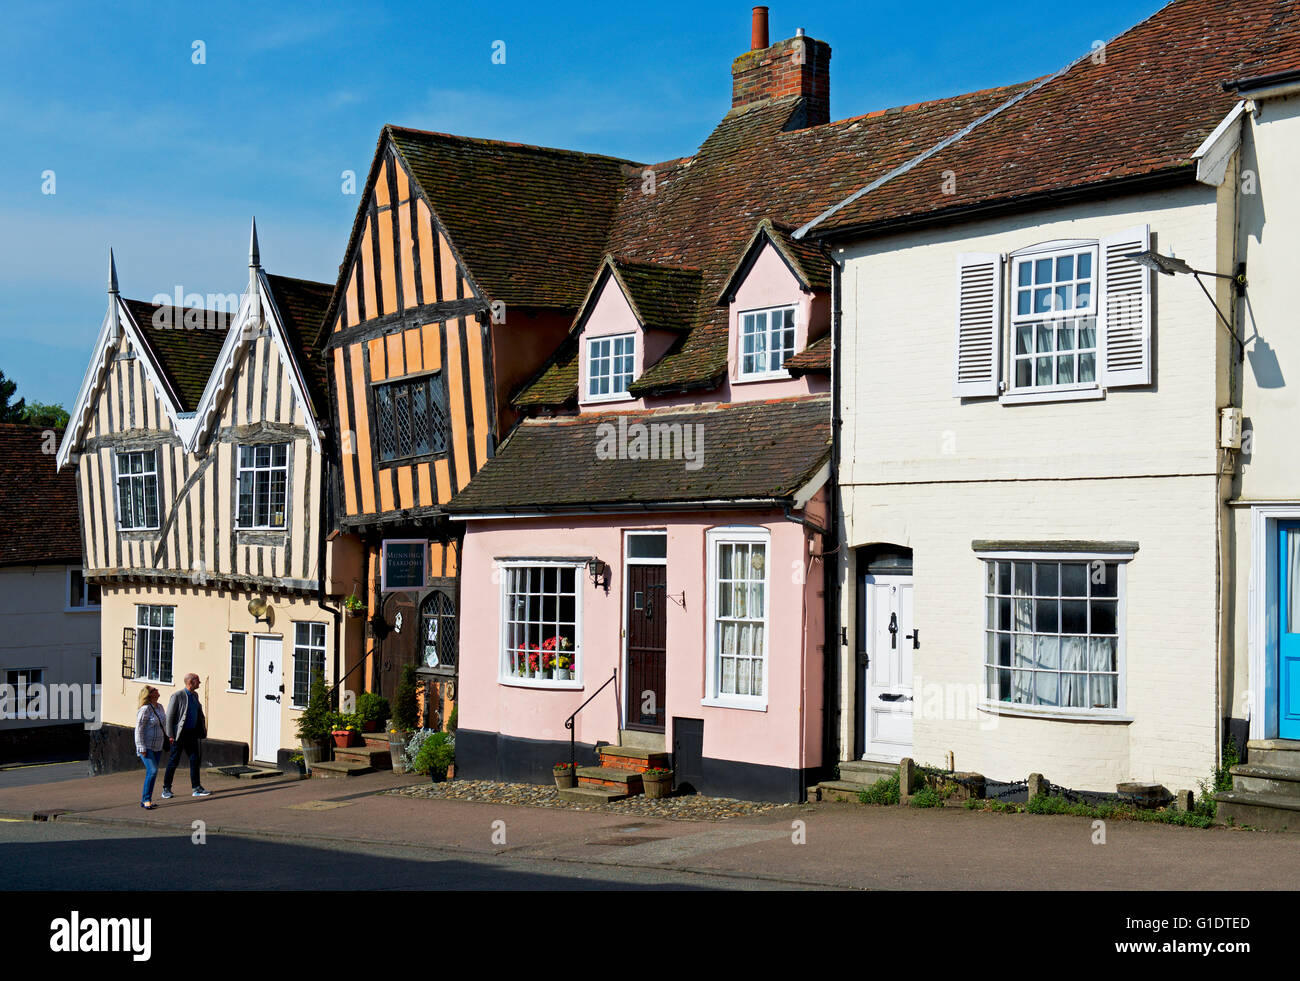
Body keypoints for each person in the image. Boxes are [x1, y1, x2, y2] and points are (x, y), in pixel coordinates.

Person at [161, 673, 211, 798]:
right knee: (174, 760)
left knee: (194, 759)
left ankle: (196, 787)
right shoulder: (178, 696)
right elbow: (170, 716)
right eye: (197, 681)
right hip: (179, 734)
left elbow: (198, 713)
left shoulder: (195, 695)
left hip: (192, 733)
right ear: (191, 682)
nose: (199, 683)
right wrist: (170, 735)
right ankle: (166, 789)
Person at [134, 686, 167, 809]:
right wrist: (141, 747)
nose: (158, 691)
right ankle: (146, 799)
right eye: (155, 690)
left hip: (158, 746)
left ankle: (146, 799)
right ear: (149, 694)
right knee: (153, 771)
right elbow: (139, 729)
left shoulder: (160, 707)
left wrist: (168, 736)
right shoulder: (145, 709)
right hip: (146, 746)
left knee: (152, 772)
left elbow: (163, 724)